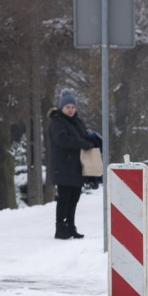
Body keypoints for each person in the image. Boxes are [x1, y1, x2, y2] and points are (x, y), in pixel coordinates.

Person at [47, 89, 97, 240]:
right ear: (61, 108)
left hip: (76, 166)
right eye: (67, 107)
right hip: (63, 166)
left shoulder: (78, 121)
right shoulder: (57, 122)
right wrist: (82, 143)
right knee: (64, 198)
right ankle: (60, 228)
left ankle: (71, 226)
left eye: (73, 107)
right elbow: (62, 140)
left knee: (74, 197)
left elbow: (83, 136)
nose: (70, 110)